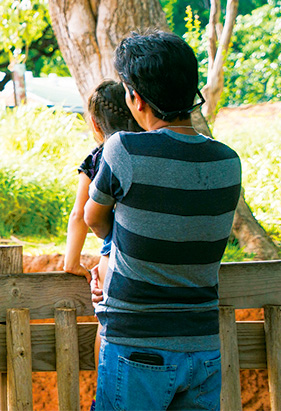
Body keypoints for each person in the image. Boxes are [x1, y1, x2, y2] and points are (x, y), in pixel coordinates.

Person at [84, 31, 242, 411]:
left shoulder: (124, 148)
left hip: (138, 346)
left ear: (135, 98)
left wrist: (115, 253)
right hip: (202, 347)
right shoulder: (227, 162)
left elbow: (93, 218)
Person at [63, 80, 140, 281]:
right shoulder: (149, 151)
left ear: (95, 124)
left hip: (115, 254)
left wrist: (72, 262)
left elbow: (79, 213)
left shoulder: (96, 159)